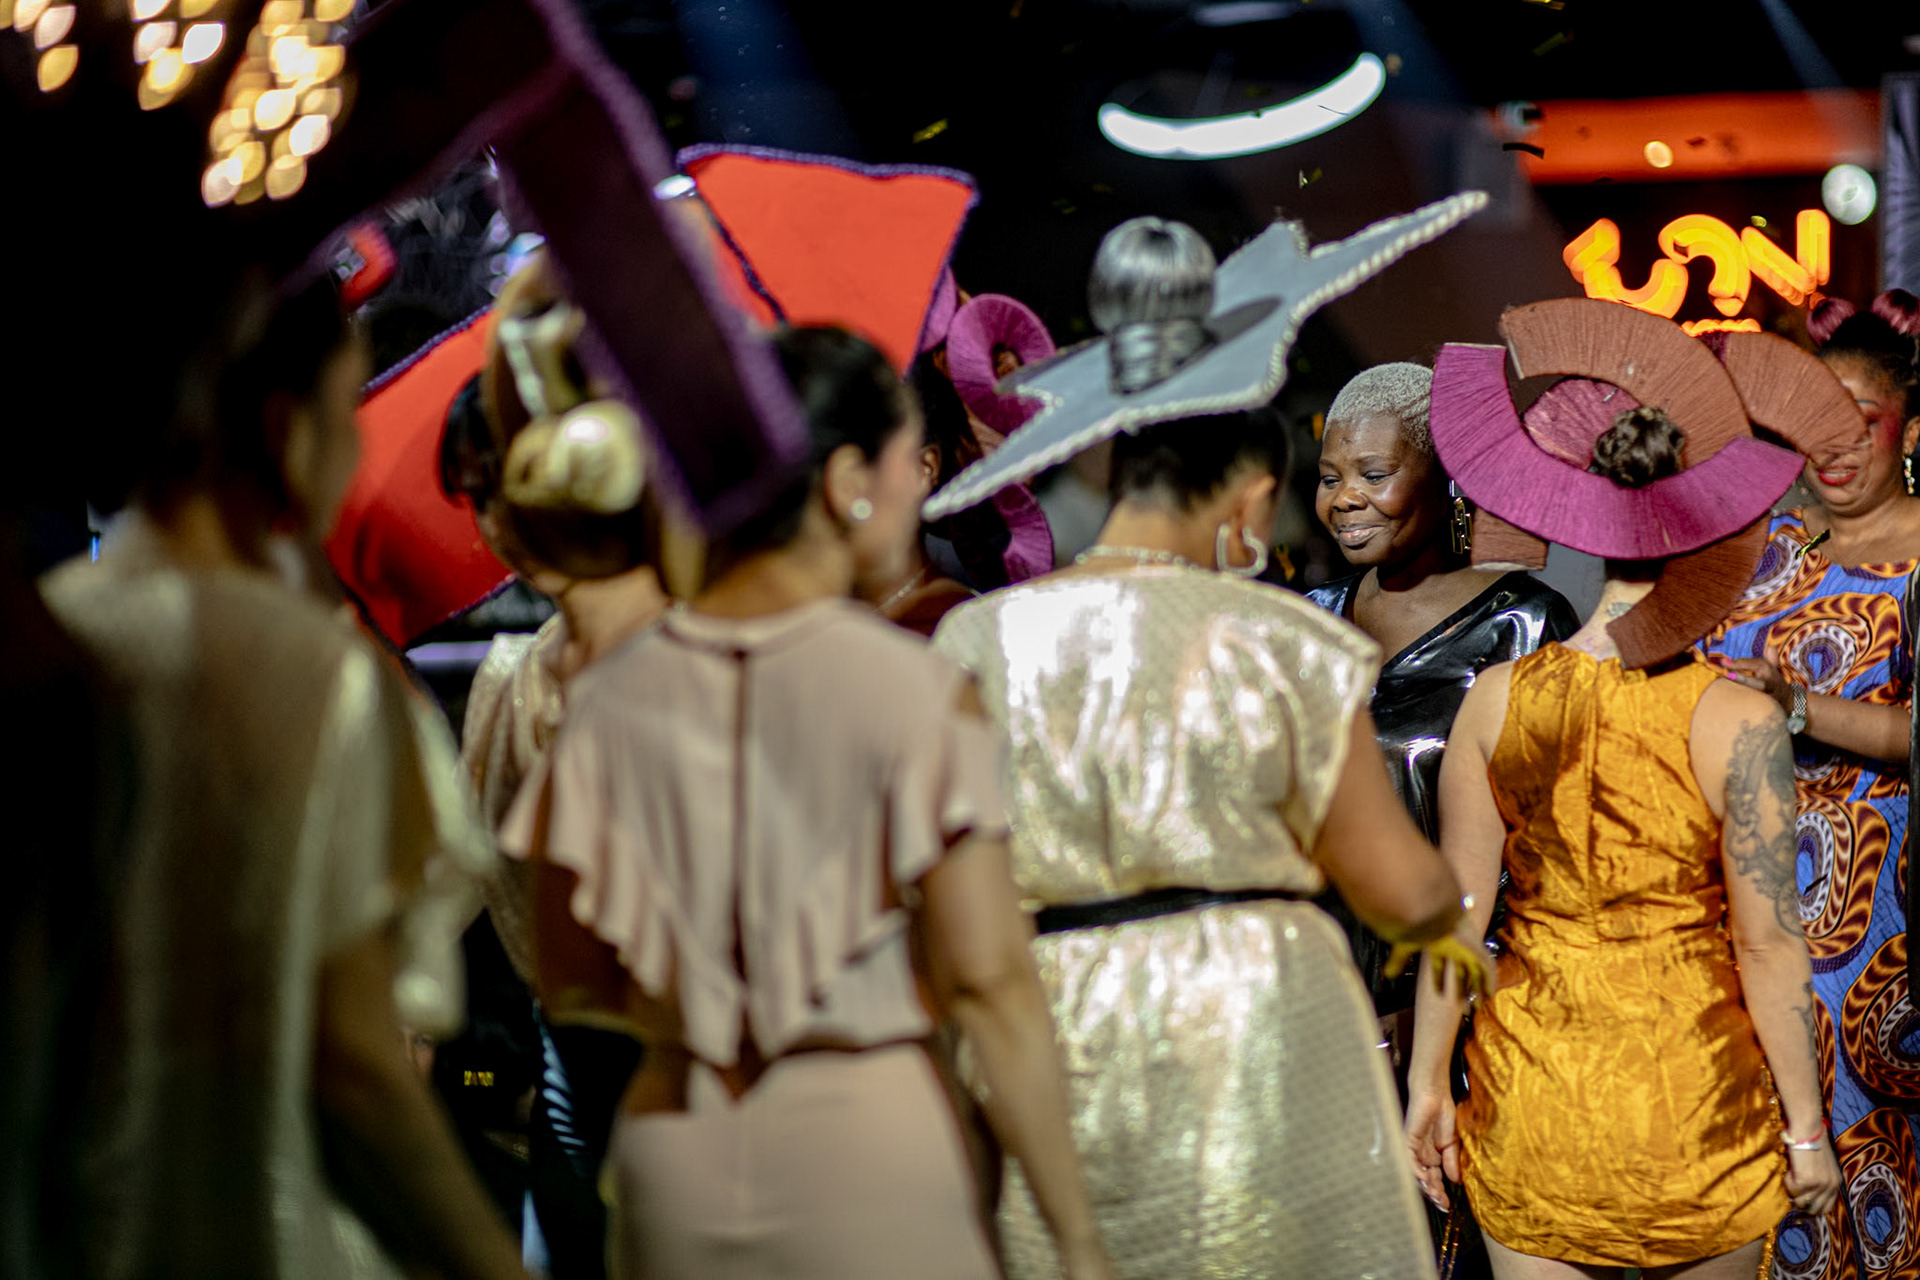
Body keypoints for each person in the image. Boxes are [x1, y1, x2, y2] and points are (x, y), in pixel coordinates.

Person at [931, 213, 1493, 1280]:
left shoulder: (977, 636)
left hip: (1054, 1025)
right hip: (1256, 1029)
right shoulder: (1288, 642)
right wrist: (1447, 920)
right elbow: (1399, 888)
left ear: (1104, 470)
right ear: (1248, 496)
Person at [502, 324, 1112, 1280]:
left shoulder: (611, 702)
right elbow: (990, 984)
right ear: (843, 483)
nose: (922, 483)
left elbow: (573, 979)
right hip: (865, 1143)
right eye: (905, 458)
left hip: (677, 1159)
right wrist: (1076, 1238)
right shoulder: (912, 689)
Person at [38, 277, 526, 1280]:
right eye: (345, 412)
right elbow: (354, 1065)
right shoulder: (314, 675)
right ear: (281, 428)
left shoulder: (44, 639)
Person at [1406, 308, 1845, 1280]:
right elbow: (1768, 943)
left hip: (1536, 1096)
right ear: (1703, 525)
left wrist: (1426, 1081)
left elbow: (1457, 913)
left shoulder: (1495, 700)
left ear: (1583, 521)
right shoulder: (1738, 718)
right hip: (1699, 1109)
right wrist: (1808, 1129)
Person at [1702, 288, 1920, 1279]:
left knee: (1872, 1150)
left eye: (1859, 425)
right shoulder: (1778, 555)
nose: (1833, 451)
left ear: (1909, 425)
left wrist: (1798, 709)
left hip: (1878, 910)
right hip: (1752, 896)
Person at [1309, 361, 1577, 1011]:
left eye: (1374, 475)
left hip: (1473, 1004)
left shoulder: (1524, 623)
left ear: (1447, 477)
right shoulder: (1308, 624)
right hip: (1324, 1009)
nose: (1345, 498)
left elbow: (1560, 847)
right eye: (1329, 478)